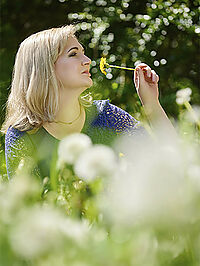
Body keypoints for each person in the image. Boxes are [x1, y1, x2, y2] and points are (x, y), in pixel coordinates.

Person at [1, 25, 175, 179]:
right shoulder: (23, 135)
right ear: (44, 68)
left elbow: (169, 161)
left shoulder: (107, 116)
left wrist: (151, 102)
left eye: (83, 53)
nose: (87, 61)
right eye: (74, 54)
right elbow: (29, 210)